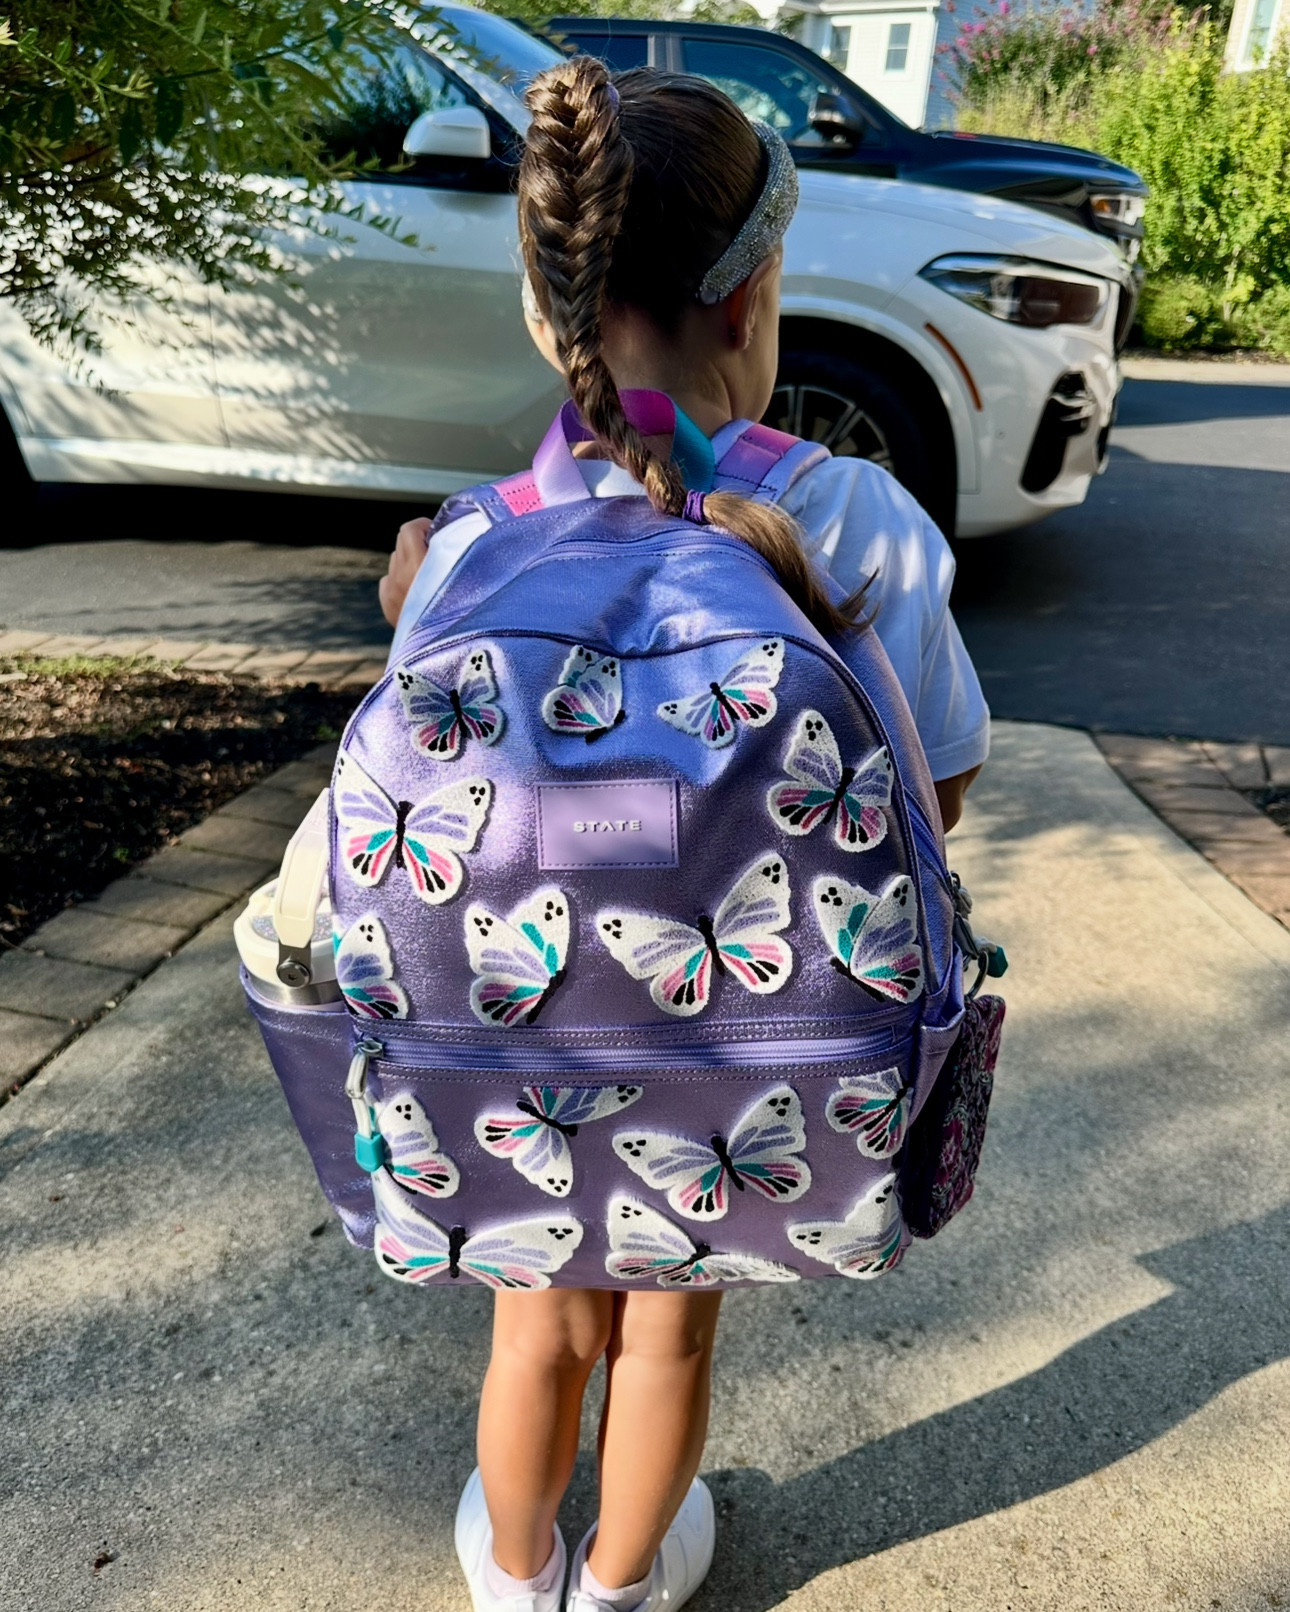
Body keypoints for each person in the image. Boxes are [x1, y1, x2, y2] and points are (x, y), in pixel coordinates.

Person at [377, 58, 989, 1612]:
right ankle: (628, 1575)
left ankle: (517, 1572)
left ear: (546, 310)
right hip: (745, 1052)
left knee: (539, 1322)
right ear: (753, 295)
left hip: (512, 1035)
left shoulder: (469, 543)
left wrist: (409, 613)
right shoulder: (864, 523)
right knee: (668, 1327)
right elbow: (926, 812)